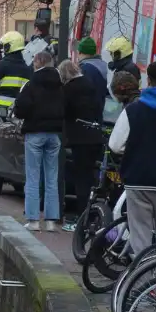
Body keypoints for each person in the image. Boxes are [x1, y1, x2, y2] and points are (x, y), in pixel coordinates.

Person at [108, 61, 156, 256]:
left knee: (141, 236)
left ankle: (145, 281)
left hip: (138, 180)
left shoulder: (133, 110)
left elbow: (115, 145)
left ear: (147, 80)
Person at [14, 51, 66, 231]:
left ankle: (33, 220)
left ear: (38, 62)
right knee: (52, 177)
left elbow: (20, 109)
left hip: (35, 133)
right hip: (54, 134)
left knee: (33, 176)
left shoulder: (31, 84)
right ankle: (51, 221)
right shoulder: (60, 85)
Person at [58, 59, 105, 222]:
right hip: (95, 136)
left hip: (79, 139)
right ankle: (92, 212)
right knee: (91, 177)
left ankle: (82, 215)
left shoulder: (69, 89)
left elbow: (63, 112)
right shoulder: (90, 85)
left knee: (81, 178)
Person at [0, 31, 31, 109]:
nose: (2, 49)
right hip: (17, 113)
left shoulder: (0, 66)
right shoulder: (27, 69)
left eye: (4, 46)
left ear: (9, 47)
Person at [76, 37, 110, 105]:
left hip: (89, 111)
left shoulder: (84, 69)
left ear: (80, 52)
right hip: (102, 109)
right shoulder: (105, 65)